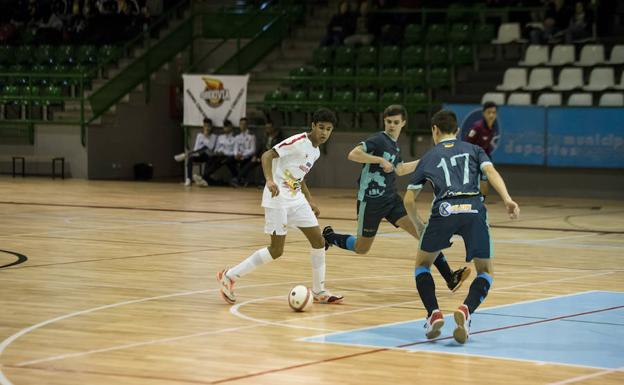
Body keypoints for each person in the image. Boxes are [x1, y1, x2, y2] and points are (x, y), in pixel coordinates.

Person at [323, 105, 471, 293]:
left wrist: (425, 161)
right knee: (362, 247)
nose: (392, 125)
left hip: (391, 200)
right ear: (384, 122)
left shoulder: (395, 145)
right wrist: (379, 160)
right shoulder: (378, 139)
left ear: (403, 123)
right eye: (388, 122)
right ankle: (329, 236)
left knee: (423, 234)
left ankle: (450, 277)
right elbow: (353, 154)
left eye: (395, 122)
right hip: (371, 201)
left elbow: (399, 169)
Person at [403, 110, 520, 344]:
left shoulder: (428, 156)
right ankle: (466, 311)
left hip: (444, 210)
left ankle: (433, 313)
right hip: (473, 209)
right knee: (485, 271)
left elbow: (408, 199)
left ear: (434, 130)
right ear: (457, 131)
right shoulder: (475, 149)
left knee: (422, 265)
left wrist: (417, 223)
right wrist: (507, 199)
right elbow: (491, 172)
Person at [217, 108, 344, 305]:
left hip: (297, 199)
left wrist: (309, 200)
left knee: (319, 242)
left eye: (328, 129)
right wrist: (269, 180)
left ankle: (319, 291)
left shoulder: (316, 151)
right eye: (321, 127)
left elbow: (299, 177)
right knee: (276, 250)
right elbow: (267, 156)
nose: (324, 133)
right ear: (313, 126)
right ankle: (230, 276)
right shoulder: (297, 142)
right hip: (277, 198)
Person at [465, 101, 499, 198]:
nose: (491, 115)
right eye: (489, 112)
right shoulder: (477, 127)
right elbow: (467, 143)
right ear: (484, 113)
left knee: (484, 183)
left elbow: (486, 146)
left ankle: (481, 202)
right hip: (472, 160)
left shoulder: (492, 128)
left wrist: (488, 160)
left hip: (482, 159)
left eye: (494, 112)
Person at [235, 120, 284, 187]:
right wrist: (255, 156)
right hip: (262, 156)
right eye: (266, 128)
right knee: (251, 162)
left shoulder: (279, 138)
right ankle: (237, 179)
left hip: (272, 158)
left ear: (273, 128)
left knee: (264, 163)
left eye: (269, 128)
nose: (267, 129)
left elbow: (277, 150)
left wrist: (264, 158)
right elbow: (260, 148)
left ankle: (262, 182)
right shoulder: (265, 137)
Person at [174, 118, 217, 186]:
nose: (207, 128)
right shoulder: (199, 135)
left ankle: (185, 155)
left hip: (208, 156)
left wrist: (205, 137)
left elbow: (211, 147)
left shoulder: (213, 136)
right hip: (198, 155)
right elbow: (196, 148)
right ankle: (189, 179)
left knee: (203, 149)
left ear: (211, 127)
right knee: (191, 158)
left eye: (208, 126)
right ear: (203, 126)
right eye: (205, 126)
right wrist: (197, 152)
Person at [199, 119, 238, 185]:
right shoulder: (220, 137)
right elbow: (216, 148)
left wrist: (224, 153)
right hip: (218, 155)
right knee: (210, 158)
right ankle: (206, 177)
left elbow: (235, 152)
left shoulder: (235, 138)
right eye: (225, 127)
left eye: (228, 126)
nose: (226, 128)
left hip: (227, 156)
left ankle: (203, 177)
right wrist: (217, 152)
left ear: (231, 127)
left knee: (219, 160)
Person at [230, 117, 257, 187]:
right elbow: (235, 147)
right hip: (238, 156)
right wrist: (236, 154)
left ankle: (237, 179)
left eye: (244, 124)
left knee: (248, 162)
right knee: (228, 160)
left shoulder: (251, 136)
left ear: (247, 125)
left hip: (247, 156)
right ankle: (238, 177)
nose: (243, 126)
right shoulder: (238, 136)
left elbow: (252, 149)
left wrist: (242, 155)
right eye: (241, 124)